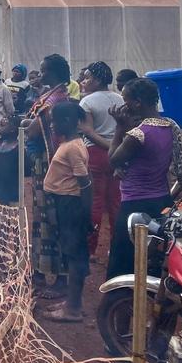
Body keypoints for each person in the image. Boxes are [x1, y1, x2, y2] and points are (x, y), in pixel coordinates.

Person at [106, 78, 182, 279]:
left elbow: (113, 159)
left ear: (138, 103)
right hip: (162, 201)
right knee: (155, 258)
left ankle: (121, 304)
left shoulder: (138, 134)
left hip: (134, 205)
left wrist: (118, 128)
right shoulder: (171, 126)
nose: (124, 105)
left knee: (123, 260)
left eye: (126, 100)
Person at [24, 53, 74, 291]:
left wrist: (21, 125)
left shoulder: (53, 100)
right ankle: (43, 272)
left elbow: (33, 130)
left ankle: (59, 277)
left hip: (50, 166)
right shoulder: (56, 95)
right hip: (47, 165)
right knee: (46, 218)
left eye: (43, 70)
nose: (40, 73)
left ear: (53, 72)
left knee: (51, 219)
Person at [41, 100, 92, 322]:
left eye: (55, 122)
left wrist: (87, 214)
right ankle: (73, 302)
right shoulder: (71, 143)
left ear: (68, 121)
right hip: (65, 203)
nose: (52, 126)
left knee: (75, 256)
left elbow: (85, 182)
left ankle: (72, 309)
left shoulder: (72, 148)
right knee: (71, 253)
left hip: (70, 205)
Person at [78, 62, 124, 257]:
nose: (83, 81)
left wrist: (106, 146)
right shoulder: (120, 99)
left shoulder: (87, 102)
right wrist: (115, 148)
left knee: (95, 202)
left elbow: (87, 130)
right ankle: (116, 248)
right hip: (120, 153)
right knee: (116, 202)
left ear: (97, 80)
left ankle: (90, 249)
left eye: (87, 78)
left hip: (96, 154)